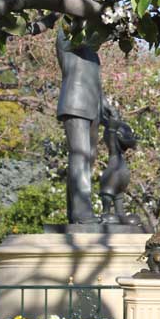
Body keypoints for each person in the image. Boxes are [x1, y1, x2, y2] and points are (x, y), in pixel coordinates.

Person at [56, 28, 103, 225]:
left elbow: (95, 81)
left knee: (88, 158)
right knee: (80, 155)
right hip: (75, 103)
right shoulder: (66, 32)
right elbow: (86, 36)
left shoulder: (93, 53)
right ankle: (82, 212)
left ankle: (75, 212)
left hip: (93, 107)